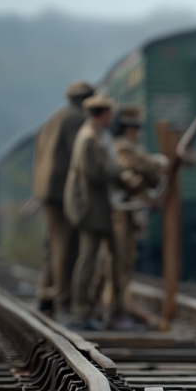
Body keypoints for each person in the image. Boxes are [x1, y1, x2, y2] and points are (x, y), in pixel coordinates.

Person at [31, 80, 95, 314]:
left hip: (46, 190)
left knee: (53, 243)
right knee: (66, 246)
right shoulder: (76, 120)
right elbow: (80, 160)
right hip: (62, 192)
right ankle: (64, 299)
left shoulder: (53, 118)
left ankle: (46, 293)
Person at [64, 94, 126, 329]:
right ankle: (81, 310)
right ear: (103, 113)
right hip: (89, 208)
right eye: (109, 113)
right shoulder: (89, 138)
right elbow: (94, 172)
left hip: (93, 207)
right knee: (88, 258)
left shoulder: (93, 135)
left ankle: (87, 309)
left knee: (91, 258)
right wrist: (117, 171)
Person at [104, 105, 167, 327]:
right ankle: (115, 311)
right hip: (120, 212)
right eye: (134, 127)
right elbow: (133, 171)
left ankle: (119, 309)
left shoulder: (128, 148)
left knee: (125, 262)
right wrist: (155, 166)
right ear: (127, 129)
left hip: (126, 213)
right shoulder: (122, 149)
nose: (137, 132)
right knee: (118, 262)